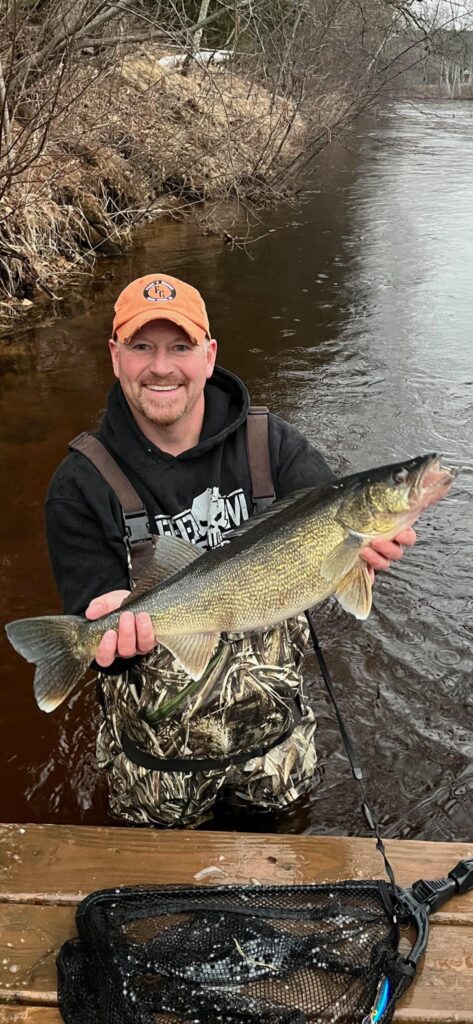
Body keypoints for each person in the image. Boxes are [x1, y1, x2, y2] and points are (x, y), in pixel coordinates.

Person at [46, 273, 416, 828]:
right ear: (116, 357)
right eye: (142, 347)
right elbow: (96, 607)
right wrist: (102, 632)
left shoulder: (273, 446)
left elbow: (337, 541)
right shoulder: (79, 484)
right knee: (156, 886)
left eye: (181, 346)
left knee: (289, 852)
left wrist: (366, 556)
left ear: (209, 354)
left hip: (277, 748)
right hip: (155, 765)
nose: (162, 367)